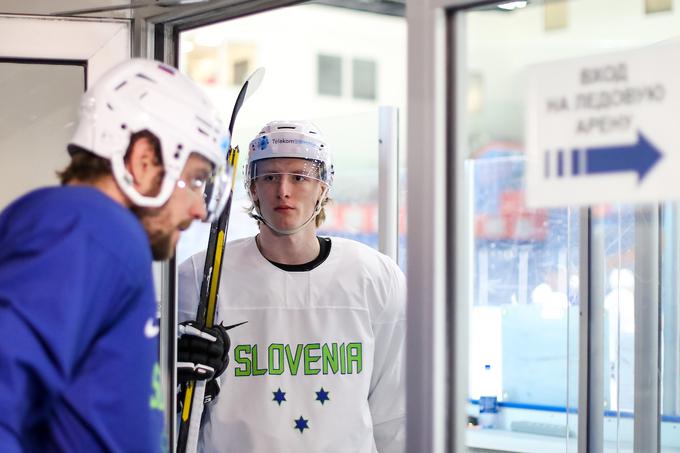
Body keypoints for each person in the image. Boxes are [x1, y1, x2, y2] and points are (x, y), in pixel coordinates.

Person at [0, 58, 234, 452]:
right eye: (194, 180)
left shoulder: (85, 231)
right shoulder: (92, 226)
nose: (198, 208)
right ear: (143, 161)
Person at [178, 120, 406, 453]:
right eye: (269, 177)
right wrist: (181, 381)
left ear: (324, 188)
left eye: (300, 177)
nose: (283, 190)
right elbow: (164, 410)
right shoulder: (201, 275)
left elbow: (394, 413)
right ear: (252, 188)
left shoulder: (375, 276)